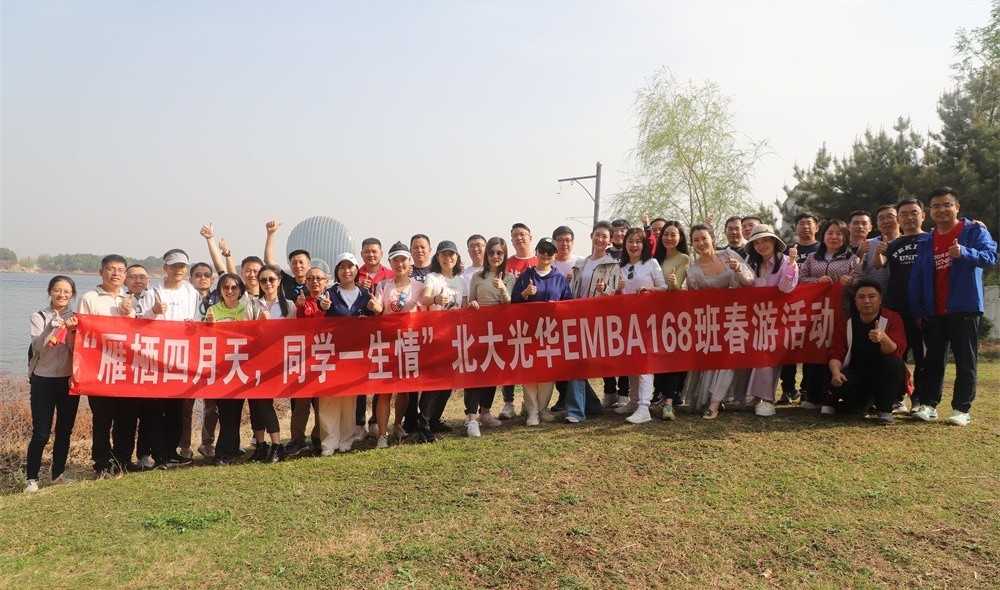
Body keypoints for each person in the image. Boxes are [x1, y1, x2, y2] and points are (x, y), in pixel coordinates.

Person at [909, 187, 997, 426]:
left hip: (965, 307)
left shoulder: (973, 231)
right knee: (933, 361)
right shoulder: (927, 240)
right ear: (930, 211)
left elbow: (991, 257)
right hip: (933, 310)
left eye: (947, 205)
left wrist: (964, 252)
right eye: (936, 206)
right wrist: (918, 310)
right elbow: (917, 276)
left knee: (965, 361)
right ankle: (928, 405)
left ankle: (961, 409)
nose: (941, 210)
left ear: (957, 207)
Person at [682, 224, 754, 418]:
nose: (701, 243)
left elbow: (751, 282)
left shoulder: (730, 255)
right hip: (712, 325)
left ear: (712, 239)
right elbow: (694, 303)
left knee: (731, 359)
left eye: (704, 238)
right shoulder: (693, 272)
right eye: (696, 240)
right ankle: (715, 399)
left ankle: (714, 403)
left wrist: (739, 269)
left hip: (737, 319)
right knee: (715, 362)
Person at [77, 254, 136, 477]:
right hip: (99, 369)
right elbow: (83, 333)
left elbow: (137, 334)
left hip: (126, 369)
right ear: (101, 272)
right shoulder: (90, 298)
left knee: (127, 417)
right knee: (102, 419)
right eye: (111, 269)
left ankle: (122, 460)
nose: (115, 274)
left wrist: (129, 312)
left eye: (120, 270)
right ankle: (101, 463)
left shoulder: (129, 298)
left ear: (125, 274)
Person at [24, 276, 80, 493]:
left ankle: (58, 474)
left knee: (64, 431)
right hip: (42, 380)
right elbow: (38, 347)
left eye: (67, 292)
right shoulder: (38, 316)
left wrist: (71, 332)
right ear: (50, 292)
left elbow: (79, 352)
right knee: (41, 433)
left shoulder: (76, 318)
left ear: (72, 295)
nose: (62, 295)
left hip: (67, 381)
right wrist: (50, 328)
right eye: (57, 290)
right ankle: (31, 478)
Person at [824, 279, 909, 424]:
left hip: (884, 376)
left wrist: (883, 338)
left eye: (871, 296)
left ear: (880, 299)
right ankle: (860, 404)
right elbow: (836, 351)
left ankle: (884, 410)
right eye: (861, 297)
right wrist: (836, 373)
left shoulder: (892, 318)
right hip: (858, 374)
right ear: (855, 301)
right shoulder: (847, 323)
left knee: (894, 364)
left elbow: (897, 351)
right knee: (832, 375)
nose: (866, 301)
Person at [798, 220, 861, 409]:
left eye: (839, 233)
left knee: (835, 354)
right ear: (823, 236)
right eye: (830, 233)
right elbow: (800, 279)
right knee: (814, 354)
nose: (834, 237)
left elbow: (861, 284)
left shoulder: (852, 259)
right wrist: (817, 281)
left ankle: (830, 398)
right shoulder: (812, 258)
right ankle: (812, 396)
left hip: (841, 314)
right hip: (815, 316)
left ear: (845, 237)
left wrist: (851, 282)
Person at [148, 249, 201, 469]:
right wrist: (153, 311)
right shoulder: (154, 292)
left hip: (182, 358)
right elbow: (139, 324)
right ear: (165, 268)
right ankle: (158, 454)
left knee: (177, 409)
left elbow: (198, 322)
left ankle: (171, 452)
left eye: (182, 266)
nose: (178, 270)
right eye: (173, 266)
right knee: (156, 409)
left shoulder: (192, 292)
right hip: (157, 358)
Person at [371, 242, 428, 447]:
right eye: (395, 260)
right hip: (387, 343)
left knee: (404, 389)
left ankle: (397, 424)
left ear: (409, 261)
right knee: (385, 390)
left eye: (403, 259)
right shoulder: (383, 286)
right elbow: (379, 309)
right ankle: (382, 435)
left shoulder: (419, 287)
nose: (399, 264)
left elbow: (426, 313)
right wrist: (375, 307)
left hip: (410, 343)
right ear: (390, 263)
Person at [512, 238, 573, 425]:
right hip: (529, 332)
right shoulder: (526, 275)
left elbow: (569, 304)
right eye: (542, 250)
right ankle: (532, 411)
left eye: (550, 251)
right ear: (536, 252)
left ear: (555, 255)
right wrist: (525, 293)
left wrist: (558, 307)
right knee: (530, 372)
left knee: (547, 372)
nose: (546, 254)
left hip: (551, 333)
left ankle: (542, 408)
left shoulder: (559, 278)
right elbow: (513, 301)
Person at [318, 253, 374, 455]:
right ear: (337, 271)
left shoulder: (365, 295)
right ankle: (329, 442)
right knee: (329, 398)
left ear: (357, 270)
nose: (346, 270)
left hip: (354, 355)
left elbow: (373, 320)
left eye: (350, 266)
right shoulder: (329, 293)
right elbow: (320, 305)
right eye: (342, 267)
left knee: (349, 399)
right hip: (331, 353)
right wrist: (322, 306)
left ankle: (346, 439)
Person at [876, 197, 928, 410]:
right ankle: (898, 396)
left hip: (923, 307)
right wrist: (879, 252)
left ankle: (920, 399)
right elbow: (879, 265)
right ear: (899, 219)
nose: (909, 217)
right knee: (896, 354)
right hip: (896, 306)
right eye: (904, 214)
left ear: (923, 215)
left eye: (914, 212)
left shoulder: (931, 239)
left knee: (923, 356)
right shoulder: (894, 244)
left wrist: (972, 223)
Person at [742, 225, 799, 417]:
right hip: (757, 319)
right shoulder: (753, 264)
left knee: (769, 359)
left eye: (765, 240)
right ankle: (756, 397)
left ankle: (767, 400)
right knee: (757, 357)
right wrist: (739, 272)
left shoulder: (786, 262)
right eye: (756, 243)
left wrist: (792, 263)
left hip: (779, 319)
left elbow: (786, 287)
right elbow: (749, 287)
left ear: (774, 241)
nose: (761, 245)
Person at [612, 227, 667, 424]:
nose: (633, 245)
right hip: (627, 321)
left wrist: (649, 289)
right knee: (632, 362)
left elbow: (664, 287)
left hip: (648, 320)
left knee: (645, 363)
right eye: (630, 241)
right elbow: (616, 296)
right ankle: (634, 401)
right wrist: (617, 290)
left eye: (638, 241)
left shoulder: (651, 263)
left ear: (644, 245)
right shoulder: (620, 267)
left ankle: (644, 407)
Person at [465, 237, 515, 436]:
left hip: (498, 331)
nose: (495, 256)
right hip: (478, 330)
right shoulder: (477, 277)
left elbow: (508, 304)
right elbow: (471, 301)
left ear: (504, 255)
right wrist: (473, 304)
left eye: (499, 253)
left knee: (492, 371)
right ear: (487, 255)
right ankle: (471, 419)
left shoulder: (509, 277)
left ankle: (485, 413)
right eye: (492, 252)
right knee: (475, 373)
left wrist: (502, 289)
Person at [570, 221, 622, 410]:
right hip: (578, 316)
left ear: (610, 240)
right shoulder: (580, 264)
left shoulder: (613, 265)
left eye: (604, 237)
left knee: (603, 357)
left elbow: (616, 293)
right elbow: (572, 290)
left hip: (600, 317)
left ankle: (610, 392)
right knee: (578, 361)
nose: (600, 239)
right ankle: (588, 401)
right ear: (591, 236)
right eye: (597, 235)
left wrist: (605, 289)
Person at [203, 273, 254, 465]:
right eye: (225, 287)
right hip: (220, 369)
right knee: (225, 411)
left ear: (240, 290)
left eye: (234, 287)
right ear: (219, 290)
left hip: (241, 367)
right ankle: (222, 454)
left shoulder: (247, 308)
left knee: (235, 409)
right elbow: (205, 339)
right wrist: (208, 325)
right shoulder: (213, 310)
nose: (230, 291)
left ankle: (232, 448)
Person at [420, 240, 469, 433]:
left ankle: (435, 420)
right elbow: (423, 299)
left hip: (455, 336)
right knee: (434, 380)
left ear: (457, 257)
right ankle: (423, 424)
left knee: (449, 381)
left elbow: (464, 306)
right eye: (443, 255)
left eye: (451, 255)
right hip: (436, 337)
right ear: (437, 258)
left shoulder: (461, 280)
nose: (447, 258)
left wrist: (471, 307)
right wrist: (435, 299)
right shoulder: (432, 278)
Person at [246, 265, 292, 463]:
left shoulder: (289, 305)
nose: (267, 284)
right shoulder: (253, 305)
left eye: (271, 279)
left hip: (277, 362)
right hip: (255, 360)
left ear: (279, 281)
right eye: (263, 280)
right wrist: (259, 321)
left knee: (264, 402)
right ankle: (260, 444)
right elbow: (245, 333)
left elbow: (295, 333)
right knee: (254, 403)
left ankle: (277, 445)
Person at [285, 266, 331, 455]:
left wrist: (327, 309)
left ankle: (318, 437)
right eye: (310, 278)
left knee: (322, 402)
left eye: (319, 278)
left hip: (325, 357)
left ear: (326, 281)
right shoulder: (300, 301)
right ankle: (297, 439)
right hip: (304, 359)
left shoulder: (332, 300)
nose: (315, 282)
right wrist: (300, 307)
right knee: (301, 403)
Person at [779, 212, 821, 405]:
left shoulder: (822, 249)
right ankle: (788, 389)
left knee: (811, 347)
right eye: (801, 223)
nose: (805, 227)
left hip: (815, 307)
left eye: (809, 223)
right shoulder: (787, 250)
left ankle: (807, 388)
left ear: (816, 227)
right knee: (788, 348)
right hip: (789, 307)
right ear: (795, 228)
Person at [653, 220, 691, 420]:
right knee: (659, 356)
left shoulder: (684, 258)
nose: (669, 238)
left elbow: (678, 290)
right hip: (655, 315)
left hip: (676, 315)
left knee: (674, 357)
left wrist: (674, 284)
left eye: (673, 234)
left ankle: (669, 401)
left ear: (680, 237)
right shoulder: (655, 259)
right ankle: (660, 395)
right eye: (666, 234)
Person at [355, 237, 393, 439]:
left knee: (381, 375)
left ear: (381, 254)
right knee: (359, 377)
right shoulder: (353, 273)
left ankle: (375, 421)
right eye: (367, 252)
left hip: (383, 333)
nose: (370, 255)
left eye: (374, 251)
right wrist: (359, 287)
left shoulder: (390, 274)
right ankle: (359, 423)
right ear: (362, 254)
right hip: (360, 334)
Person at [501, 223, 537, 418]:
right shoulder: (506, 263)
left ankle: (528, 402)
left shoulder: (539, 259)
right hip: (510, 320)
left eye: (523, 234)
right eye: (515, 235)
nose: (519, 238)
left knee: (531, 362)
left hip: (533, 321)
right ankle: (508, 403)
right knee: (509, 361)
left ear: (530, 237)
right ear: (511, 240)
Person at [857, 204, 900, 294]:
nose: (886, 221)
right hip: (873, 297)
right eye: (881, 218)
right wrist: (860, 252)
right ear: (877, 223)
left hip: (900, 295)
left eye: (890, 216)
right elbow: (857, 270)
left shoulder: (906, 242)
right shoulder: (868, 244)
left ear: (899, 219)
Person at [263, 220, 311, 301]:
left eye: (301, 262)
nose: (298, 266)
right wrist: (270, 233)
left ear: (309, 264)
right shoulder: (287, 281)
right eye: (294, 263)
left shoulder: (315, 284)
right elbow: (268, 260)